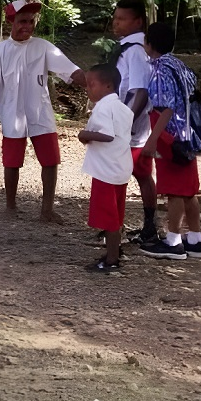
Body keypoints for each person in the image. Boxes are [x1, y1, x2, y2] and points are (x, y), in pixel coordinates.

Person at [0, 0, 86, 222]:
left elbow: (70, 71)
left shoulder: (43, 47)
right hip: (11, 113)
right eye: (22, 20)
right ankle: (10, 206)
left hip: (40, 112)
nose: (28, 25)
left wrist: (98, 84)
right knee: (11, 161)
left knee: (50, 160)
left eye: (31, 21)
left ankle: (47, 209)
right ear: (11, 22)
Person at [139, 23, 201, 262]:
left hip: (171, 137)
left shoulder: (159, 71)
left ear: (149, 43)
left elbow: (165, 108)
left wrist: (153, 139)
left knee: (174, 191)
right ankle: (196, 240)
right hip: (190, 134)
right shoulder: (180, 65)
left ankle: (173, 241)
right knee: (188, 190)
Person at [78, 64, 134, 273]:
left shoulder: (103, 107)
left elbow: (107, 135)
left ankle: (111, 260)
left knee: (110, 218)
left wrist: (84, 135)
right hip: (120, 168)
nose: (88, 89)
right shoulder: (123, 108)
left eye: (92, 85)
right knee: (117, 216)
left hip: (105, 171)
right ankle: (114, 252)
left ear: (108, 85)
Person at [111, 0, 157, 243]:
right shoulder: (128, 48)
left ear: (138, 21)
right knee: (137, 175)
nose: (115, 23)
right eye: (115, 18)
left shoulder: (136, 51)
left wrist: (124, 122)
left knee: (125, 176)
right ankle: (116, 227)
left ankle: (121, 229)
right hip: (129, 126)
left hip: (131, 130)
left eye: (121, 19)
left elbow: (140, 91)